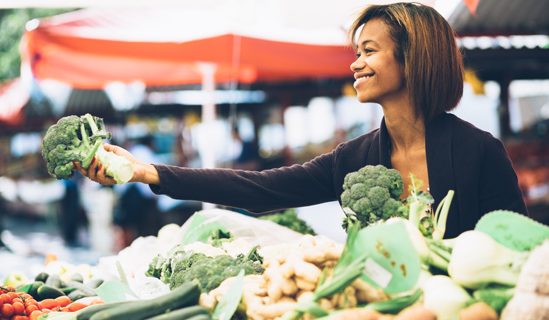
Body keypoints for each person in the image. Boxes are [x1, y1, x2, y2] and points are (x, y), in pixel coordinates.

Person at [75, 2, 528, 239]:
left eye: (369, 50)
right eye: (356, 53)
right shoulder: (353, 159)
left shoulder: (480, 151)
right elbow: (261, 189)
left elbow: (520, 247)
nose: (356, 64)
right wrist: (149, 172)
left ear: (413, 58)